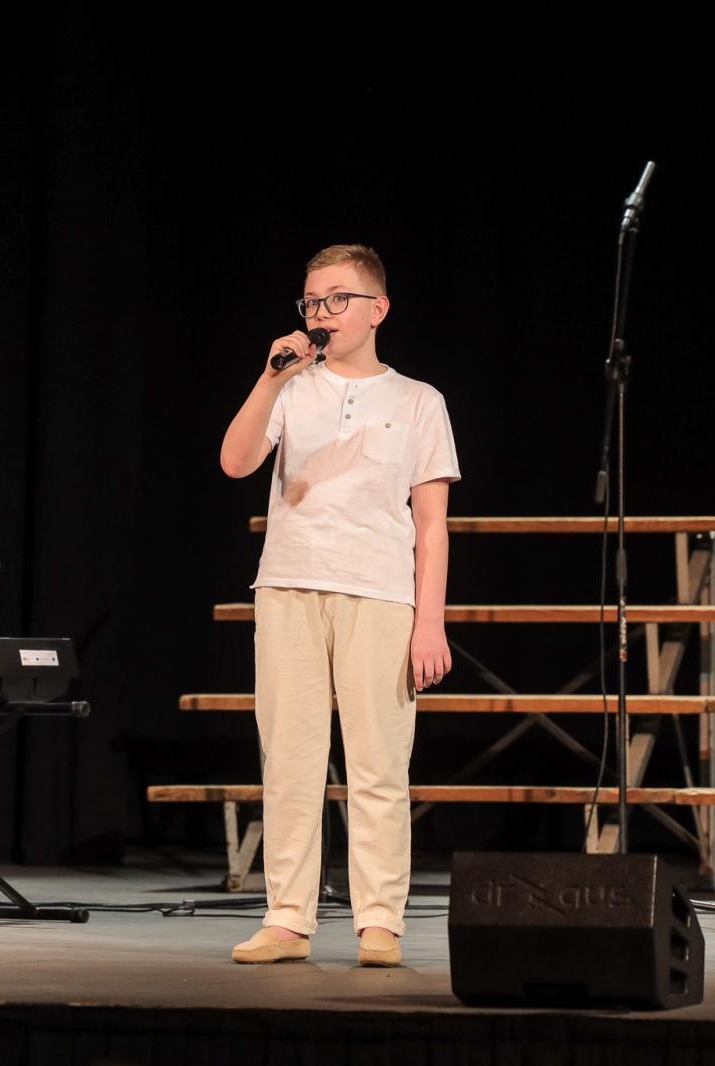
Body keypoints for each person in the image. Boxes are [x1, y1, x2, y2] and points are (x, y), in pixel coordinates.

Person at [218, 244, 459, 966]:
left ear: (377, 308)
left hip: (379, 594)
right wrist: (269, 376)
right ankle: (287, 918)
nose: (321, 314)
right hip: (290, 585)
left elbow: (431, 524)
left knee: (379, 764)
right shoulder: (291, 390)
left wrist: (430, 620)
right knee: (289, 759)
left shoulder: (419, 401)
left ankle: (379, 919)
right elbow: (235, 462)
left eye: (337, 299)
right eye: (312, 302)